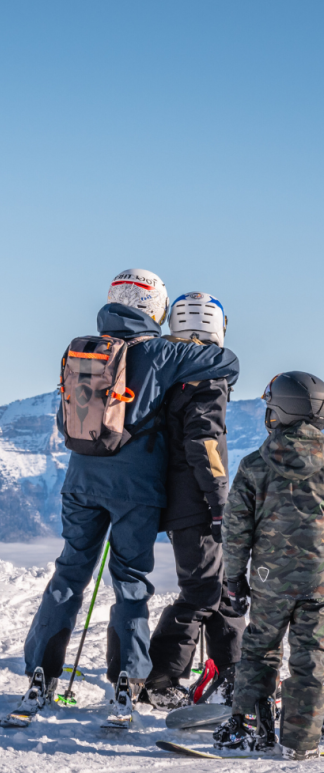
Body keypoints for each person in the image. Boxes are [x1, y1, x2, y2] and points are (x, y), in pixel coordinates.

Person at [19, 270, 240, 716]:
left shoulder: (79, 347)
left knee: (69, 574)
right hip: (135, 490)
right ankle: (128, 676)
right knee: (130, 584)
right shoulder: (161, 351)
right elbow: (228, 363)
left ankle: (40, 670)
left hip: (80, 482)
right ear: (155, 308)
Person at [214, 371, 324, 760]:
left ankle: (249, 726)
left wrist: (233, 580)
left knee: (260, 651)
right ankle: (302, 739)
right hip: (320, 582)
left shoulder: (254, 466)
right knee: (312, 656)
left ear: (280, 411)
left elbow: (236, 529)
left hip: (268, 581)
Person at [144, 292, 246, 709]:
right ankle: (161, 678)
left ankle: (230, 674)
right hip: (197, 503)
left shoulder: (170, 373)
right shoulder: (207, 377)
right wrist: (221, 503)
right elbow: (204, 443)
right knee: (204, 591)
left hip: (176, 496)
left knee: (220, 589)